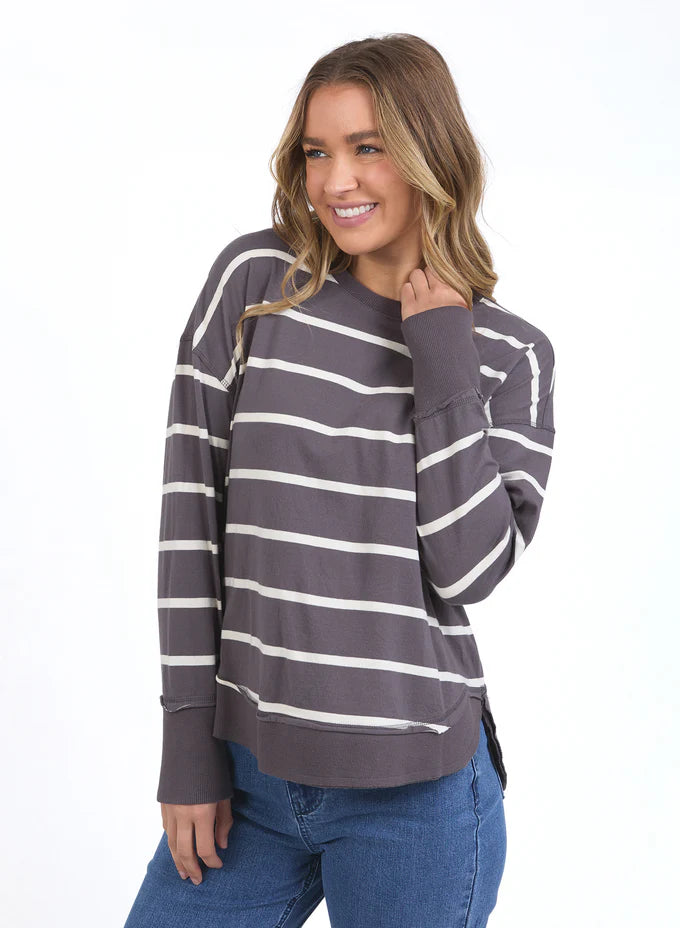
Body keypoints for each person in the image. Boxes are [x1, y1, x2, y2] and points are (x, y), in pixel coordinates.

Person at [123, 32, 556, 928]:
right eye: (317, 152)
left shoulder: (509, 356)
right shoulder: (256, 285)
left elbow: (470, 570)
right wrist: (186, 745)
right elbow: (188, 519)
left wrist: (442, 356)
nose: (336, 181)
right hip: (247, 776)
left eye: (368, 147)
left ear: (431, 152)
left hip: (418, 800)